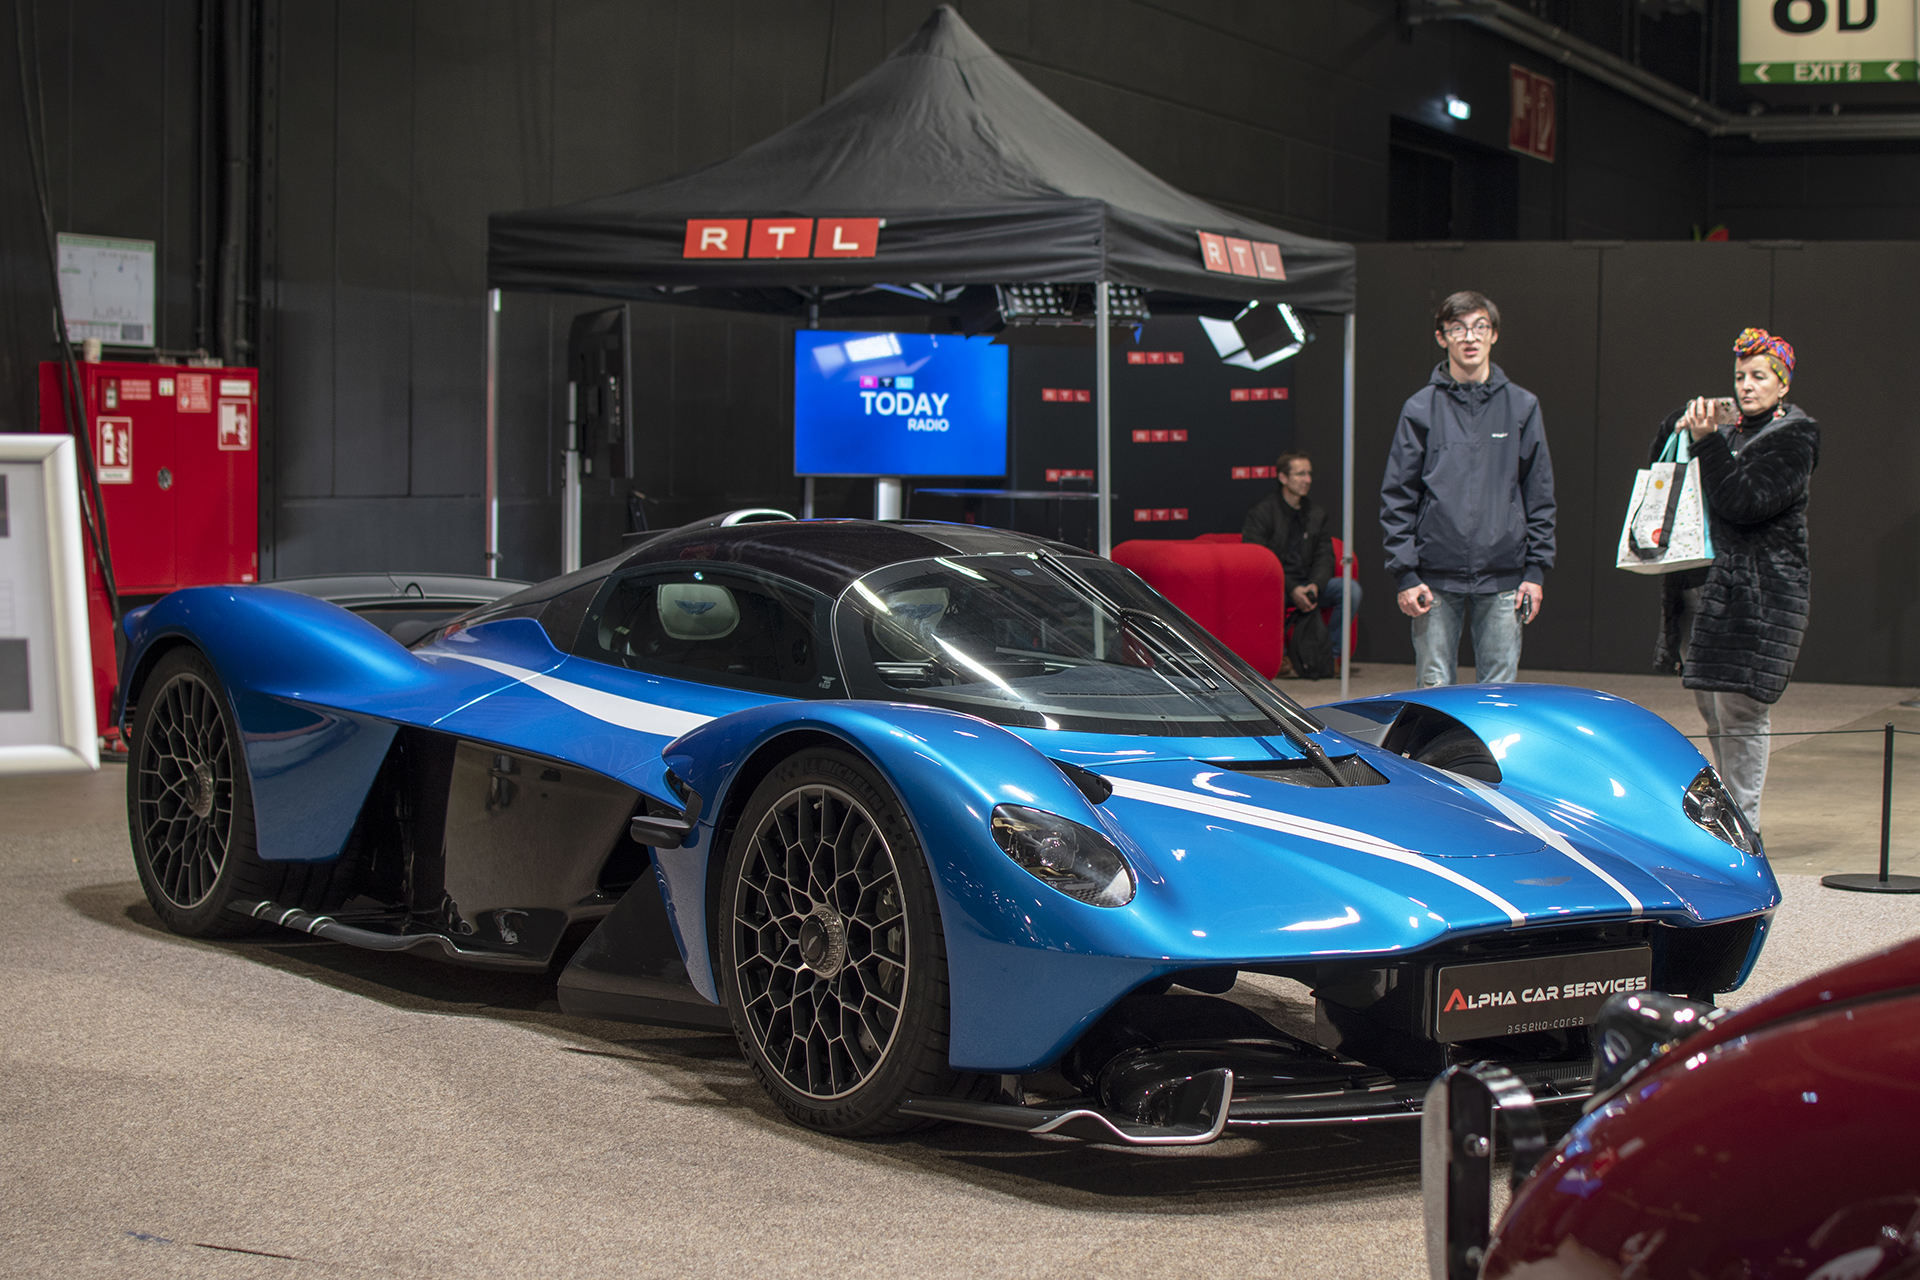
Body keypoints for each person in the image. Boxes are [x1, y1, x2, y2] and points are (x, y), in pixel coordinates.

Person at [1650, 328, 1819, 834]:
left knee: (1742, 717)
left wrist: (1706, 443)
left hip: (1757, 599)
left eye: (1759, 376)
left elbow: (1743, 502)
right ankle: (1727, 823)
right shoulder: (1723, 431)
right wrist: (1679, 427)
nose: (1747, 385)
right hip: (1706, 592)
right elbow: (1664, 468)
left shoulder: (1796, 436)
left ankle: (1744, 830)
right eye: (1741, 376)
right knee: (1715, 716)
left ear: (1782, 384)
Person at [1380, 291, 1556, 686]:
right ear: (1442, 337)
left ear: (1493, 335)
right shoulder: (1420, 408)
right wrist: (1405, 574)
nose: (1469, 337)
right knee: (1434, 689)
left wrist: (1535, 571)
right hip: (1433, 576)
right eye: (1457, 328)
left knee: (1499, 693)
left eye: (1479, 327)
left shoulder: (1522, 406)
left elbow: (1539, 492)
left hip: (1505, 576)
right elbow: (1398, 495)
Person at [1241, 452, 1361, 671]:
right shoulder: (1263, 513)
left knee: (1349, 589)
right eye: (1300, 474)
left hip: (1309, 584)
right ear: (1283, 478)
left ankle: (1330, 657)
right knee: (1267, 592)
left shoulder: (1316, 513)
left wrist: (1315, 584)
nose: (1308, 480)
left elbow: (1325, 556)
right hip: (1278, 585)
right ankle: (1282, 658)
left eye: (1309, 474)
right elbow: (1259, 560)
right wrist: (1293, 588)